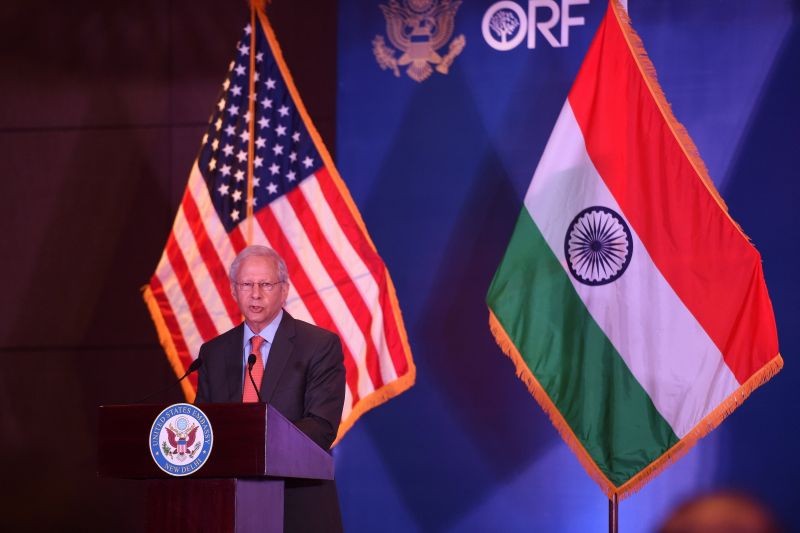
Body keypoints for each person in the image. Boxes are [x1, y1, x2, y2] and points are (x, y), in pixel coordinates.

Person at [196, 245, 346, 532]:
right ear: (232, 290)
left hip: (296, 505)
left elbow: (322, 426)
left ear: (284, 289)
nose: (255, 294)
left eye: (265, 284)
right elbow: (205, 425)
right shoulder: (213, 352)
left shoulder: (318, 345)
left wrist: (253, 442)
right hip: (228, 505)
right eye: (246, 284)